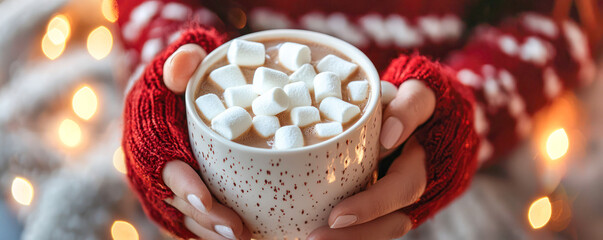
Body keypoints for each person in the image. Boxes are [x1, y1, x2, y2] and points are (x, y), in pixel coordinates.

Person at [117, 0, 594, 239]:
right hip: (232, 115)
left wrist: (466, 109)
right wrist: (169, 73)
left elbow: (567, 17)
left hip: (433, 145)